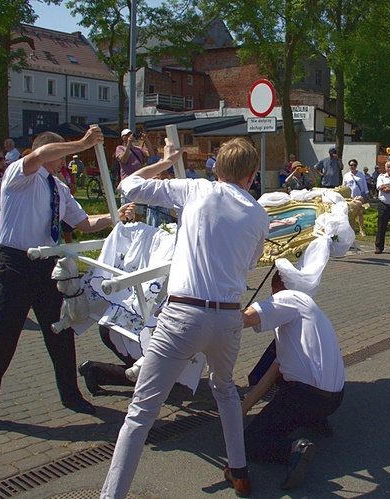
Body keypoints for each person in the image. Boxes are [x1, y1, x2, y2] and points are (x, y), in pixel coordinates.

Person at [101, 137, 269, 498]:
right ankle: (239, 471)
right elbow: (251, 263)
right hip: (228, 319)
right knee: (224, 389)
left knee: (141, 413)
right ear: (252, 176)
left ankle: (111, 495)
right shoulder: (258, 214)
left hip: (183, 314)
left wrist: (167, 161)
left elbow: (128, 185)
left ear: (216, 169)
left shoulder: (196, 190)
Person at [0, 127, 137, 437]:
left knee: (60, 332)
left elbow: (84, 223)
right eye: (61, 155)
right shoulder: (19, 174)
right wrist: (85, 142)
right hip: (16, 264)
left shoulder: (59, 188)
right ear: (49, 153)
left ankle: (70, 395)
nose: (64, 161)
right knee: (1, 338)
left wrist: (115, 216)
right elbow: (41, 154)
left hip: (47, 267)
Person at [241, 271, 345, 491]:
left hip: (306, 396)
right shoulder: (308, 316)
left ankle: (293, 449)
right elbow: (270, 375)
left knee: (249, 440)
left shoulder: (288, 298)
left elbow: (247, 318)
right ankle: (314, 420)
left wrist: (216, 317)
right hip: (333, 399)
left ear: (277, 289)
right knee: (289, 378)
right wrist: (243, 409)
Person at [343, 159, 369, 237]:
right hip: (350, 198)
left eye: (354, 165)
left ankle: (361, 230)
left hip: (359, 197)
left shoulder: (361, 175)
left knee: (360, 213)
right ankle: (353, 231)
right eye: (351, 165)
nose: (353, 166)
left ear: (356, 166)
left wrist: (367, 194)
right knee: (352, 215)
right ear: (349, 166)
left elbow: (364, 185)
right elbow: (344, 187)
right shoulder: (346, 176)